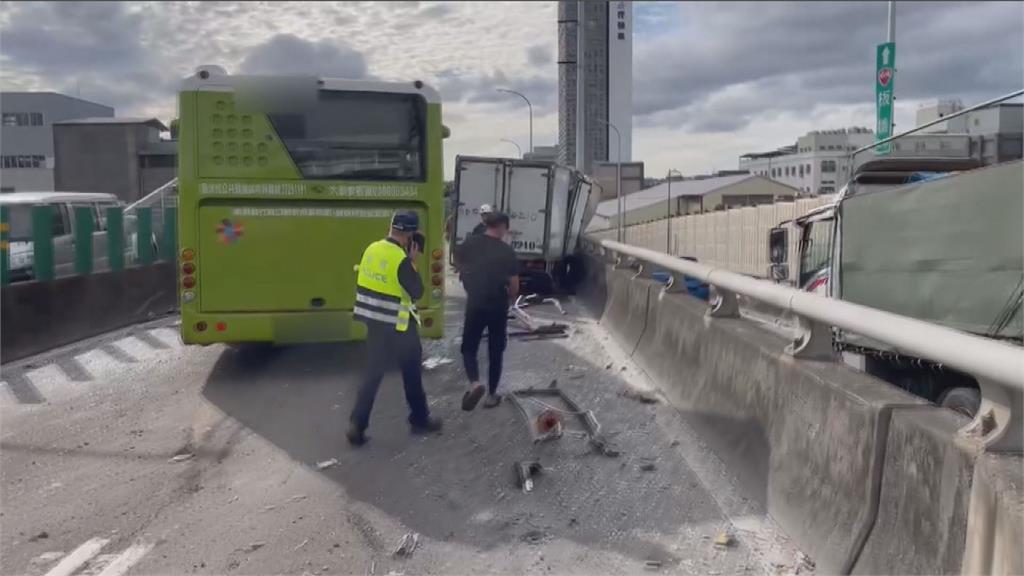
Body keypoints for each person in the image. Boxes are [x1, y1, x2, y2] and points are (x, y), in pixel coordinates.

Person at [348, 210, 442, 446]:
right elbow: (417, 292)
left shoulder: (372, 248)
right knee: (411, 375)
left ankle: (357, 425)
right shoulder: (401, 260)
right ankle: (419, 420)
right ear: (409, 235)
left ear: (391, 227)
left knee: (372, 374)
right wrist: (413, 262)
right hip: (399, 326)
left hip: (374, 323)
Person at [455, 211, 519, 410]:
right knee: (496, 350)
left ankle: (474, 383)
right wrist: (510, 297)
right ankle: (491, 395)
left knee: (469, 347)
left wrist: (466, 277)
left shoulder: (470, 243)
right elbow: (514, 285)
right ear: (502, 227)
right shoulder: (507, 251)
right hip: (498, 306)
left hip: (475, 303)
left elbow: (457, 260)